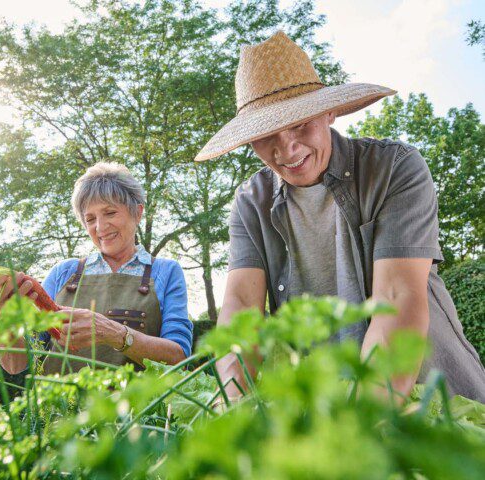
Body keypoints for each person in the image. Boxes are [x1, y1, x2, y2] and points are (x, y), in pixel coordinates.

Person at [195, 31, 485, 403]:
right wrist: (232, 404)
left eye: (300, 123)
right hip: (329, 412)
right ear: (249, 141)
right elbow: (239, 311)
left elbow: (396, 297)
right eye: (266, 134)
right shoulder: (252, 203)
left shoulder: (394, 169)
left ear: (328, 112)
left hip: (433, 400)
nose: (287, 148)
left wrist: (364, 421)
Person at [0, 162, 193, 375]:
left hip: (139, 408)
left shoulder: (165, 272)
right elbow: (16, 365)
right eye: (90, 219)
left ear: (137, 213)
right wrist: (5, 317)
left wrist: (112, 332)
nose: (100, 227)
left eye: (110, 213)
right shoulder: (64, 273)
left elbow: (179, 359)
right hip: (61, 407)